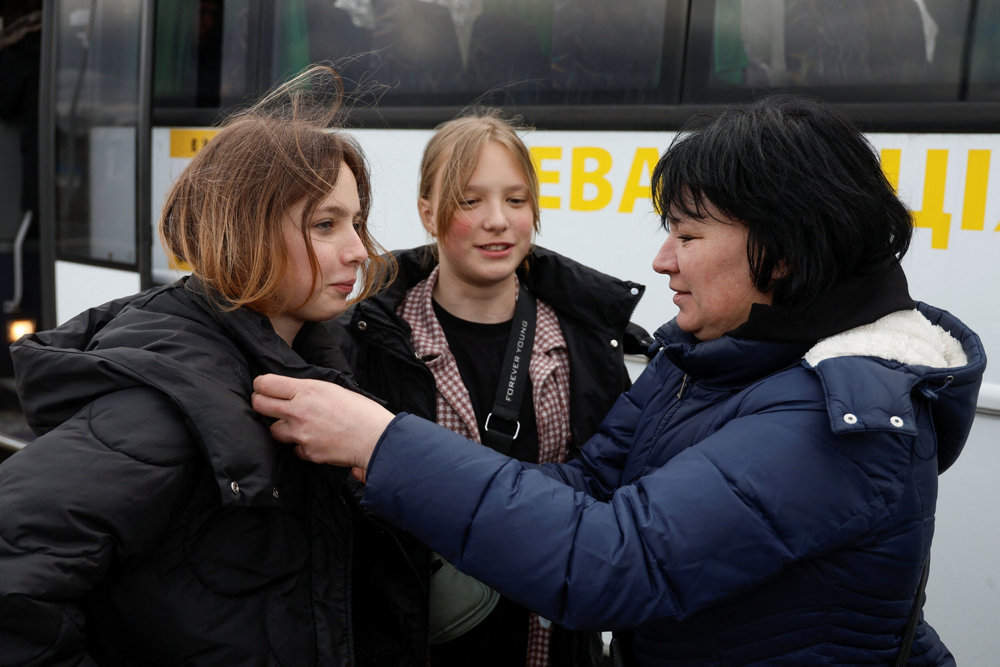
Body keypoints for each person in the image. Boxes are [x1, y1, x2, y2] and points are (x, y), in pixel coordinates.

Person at [252, 94, 986, 666]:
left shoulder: (836, 417)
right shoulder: (702, 361)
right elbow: (589, 487)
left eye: (688, 235)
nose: (662, 260)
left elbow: (613, 558)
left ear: (782, 253)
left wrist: (385, 443)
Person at [0, 66, 426, 666]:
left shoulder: (327, 359)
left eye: (356, 222)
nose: (358, 248)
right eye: (325, 225)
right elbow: (14, 581)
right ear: (245, 232)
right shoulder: (163, 405)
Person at [330, 109, 646, 667]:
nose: (498, 221)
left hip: (551, 642)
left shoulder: (588, 338)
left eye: (517, 200)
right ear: (428, 211)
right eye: (470, 201)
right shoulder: (369, 339)